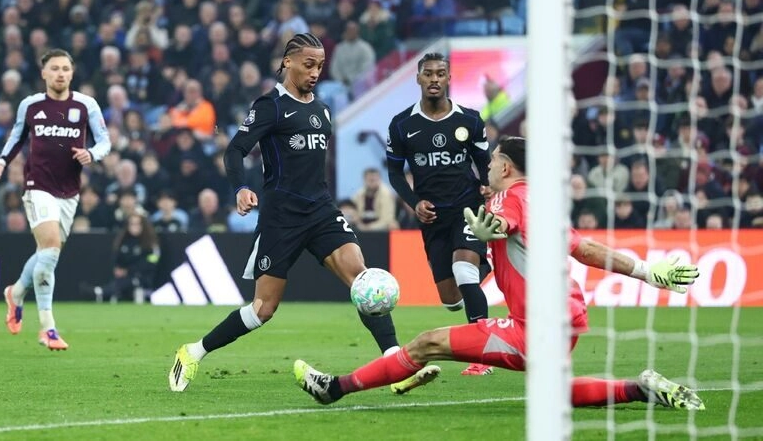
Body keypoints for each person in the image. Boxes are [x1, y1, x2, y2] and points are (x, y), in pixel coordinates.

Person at [294, 136, 705, 411]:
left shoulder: (506, 198)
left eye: (492, 161)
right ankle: (641, 388)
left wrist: (498, 226)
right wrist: (649, 272)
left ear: (505, 167)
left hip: (535, 326)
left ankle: (336, 388)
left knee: (425, 344)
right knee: (551, 393)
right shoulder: (543, 201)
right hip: (570, 317)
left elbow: (505, 221)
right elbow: (585, 249)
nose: (487, 167)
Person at [168, 33, 403, 392]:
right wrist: (241, 188)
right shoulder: (271, 106)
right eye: (309, 64)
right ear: (288, 61)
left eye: (320, 66)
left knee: (363, 281)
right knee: (262, 309)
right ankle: (193, 352)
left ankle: (395, 362)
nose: (315, 72)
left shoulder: (322, 109)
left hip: (321, 211)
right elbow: (234, 151)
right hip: (282, 217)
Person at [0, 49, 111, 350]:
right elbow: (16, 136)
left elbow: (105, 140)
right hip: (38, 185)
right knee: (51, 248)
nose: (60, 74)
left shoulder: (86, 105)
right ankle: (48, 328)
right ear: (44, 73)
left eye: (65, 69)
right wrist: (2, 162)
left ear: (72, 72)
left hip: (69, 190)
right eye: (54, 68)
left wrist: (91, 154)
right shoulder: (31, 105)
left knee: (47, 254)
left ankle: (15, 293)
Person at [386, 52, 494, 375]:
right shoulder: (402, 124)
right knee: (450, 298)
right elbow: (394, 173)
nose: (434, 79)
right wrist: (414, 202)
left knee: (464, 272)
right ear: (418, 79)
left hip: (467, 209)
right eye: (428, 74)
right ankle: (484, 266)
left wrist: (488, 187)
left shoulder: (470, 120)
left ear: (449, 79)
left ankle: (483, 356)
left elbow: (486, 165)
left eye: (440, 74)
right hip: (432, 219)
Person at [97, 213, 160, 303]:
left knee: (126, 281)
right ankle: (102, 292)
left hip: (143, 278)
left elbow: (152, 262)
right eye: (132, 224)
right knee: (121, 281)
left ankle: (100, 292)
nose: (134, 227)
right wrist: (117, 268)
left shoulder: (151, 244)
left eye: (137, 224)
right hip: (124, 277)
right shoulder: (123, 241)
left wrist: (129, 270)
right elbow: (116, 258)